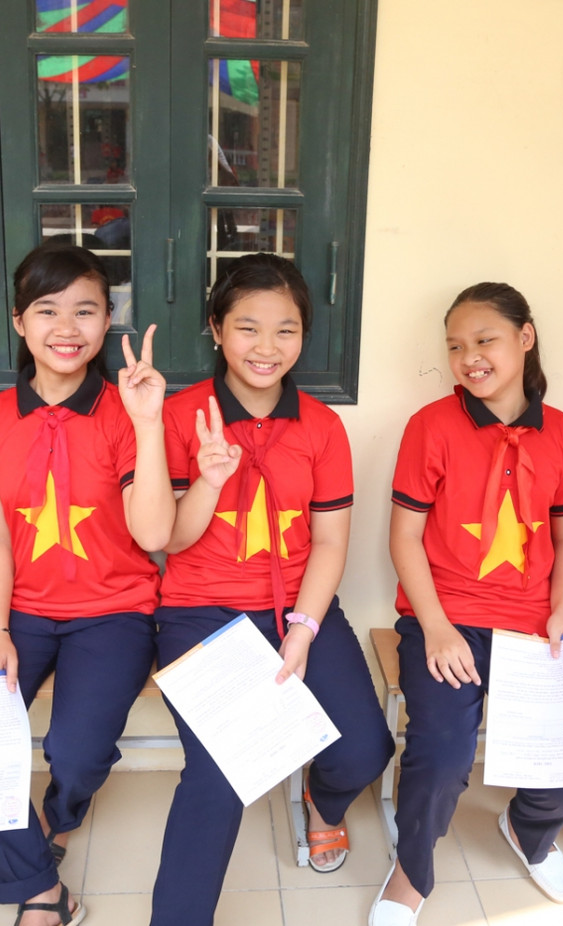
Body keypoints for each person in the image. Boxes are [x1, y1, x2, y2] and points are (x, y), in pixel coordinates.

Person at [147, 253, 394, 926]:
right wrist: (209, 480)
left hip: (297, 608)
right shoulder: (181, 417)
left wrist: (304, 629)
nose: (267, 347)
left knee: (366, 749)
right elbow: (171, 540)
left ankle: (323, 800)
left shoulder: (321, 426)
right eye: (247, 327)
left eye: (286, 330)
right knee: (219, 776)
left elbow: (330, 542)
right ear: (216, 329)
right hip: (200, 612)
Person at [370, 283, 563, 925]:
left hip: (534, 626)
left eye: (485, 340)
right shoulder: (431, 426)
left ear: (525, 338)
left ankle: (528, 829)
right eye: (456, 346)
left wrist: (562, 613)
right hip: (447, 617)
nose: (469, 358)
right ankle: (411, 871)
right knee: (441, 757)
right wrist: (437, 627)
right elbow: (405, 537)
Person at [0, 243, 173, 926]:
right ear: (19, 321)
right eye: (47, 310)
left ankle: (58, 817)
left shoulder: (127, 409)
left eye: (85, 311)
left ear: (108, 320)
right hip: (19, 608)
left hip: (113, 610)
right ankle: (40, 891)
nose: (66, 327)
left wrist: (147, 423)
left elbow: (154, 533)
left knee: (77, 756)